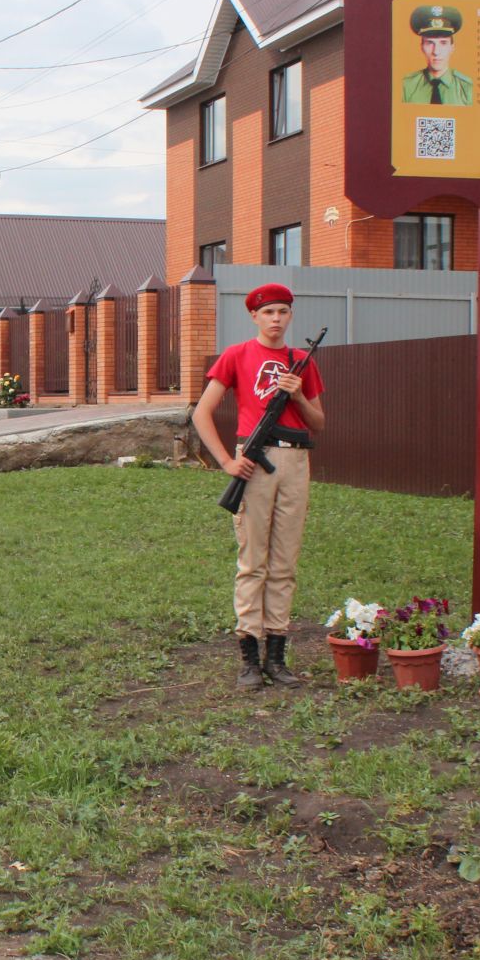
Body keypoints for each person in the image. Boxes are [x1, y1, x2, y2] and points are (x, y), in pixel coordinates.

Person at [191, 285, 327, 689]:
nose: (276, 319)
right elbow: (202, 413)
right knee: (254, 562)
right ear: (254, 316)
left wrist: (298, 396)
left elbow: (318, 423)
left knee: (284, 563)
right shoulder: (236, 355)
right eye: (268, 311)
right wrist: (228, 462)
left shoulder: (301, 361)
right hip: (254, 461)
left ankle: (277, 657)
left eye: (283, 311)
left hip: (295, 462)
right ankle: (250, 657)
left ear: (290, 316)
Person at [400, 4, 474, 105]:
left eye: (443, 43)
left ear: (452, 47)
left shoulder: (468, 88)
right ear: (422, 47)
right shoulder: (406, 86)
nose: (436, 51)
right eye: (430, 43)